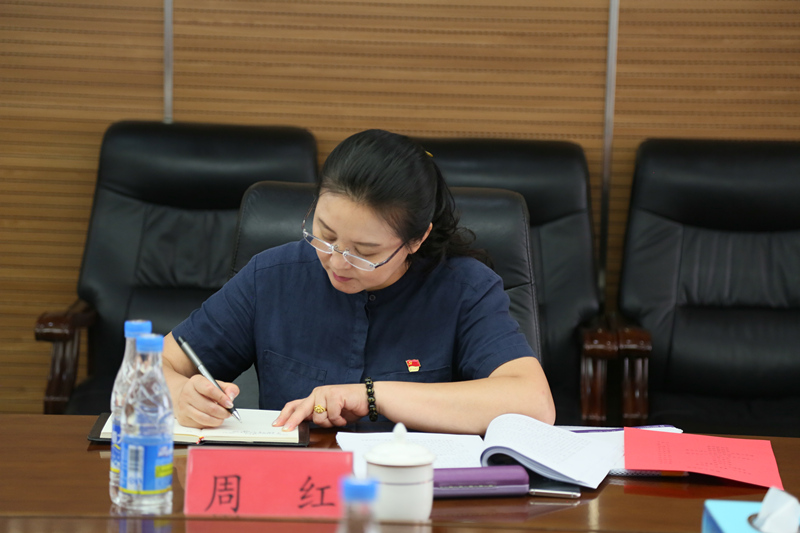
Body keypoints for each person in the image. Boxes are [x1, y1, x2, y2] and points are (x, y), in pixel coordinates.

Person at [162, 129, 555, 435]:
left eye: (364, 252)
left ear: (416, 240)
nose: (336, 261)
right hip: (294, 491)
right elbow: (154, 364)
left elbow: (534, 404)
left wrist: (372, 395)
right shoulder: (272, 276)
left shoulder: (464, 289)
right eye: (325, 233)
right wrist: (180, 394)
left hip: (416, 494)